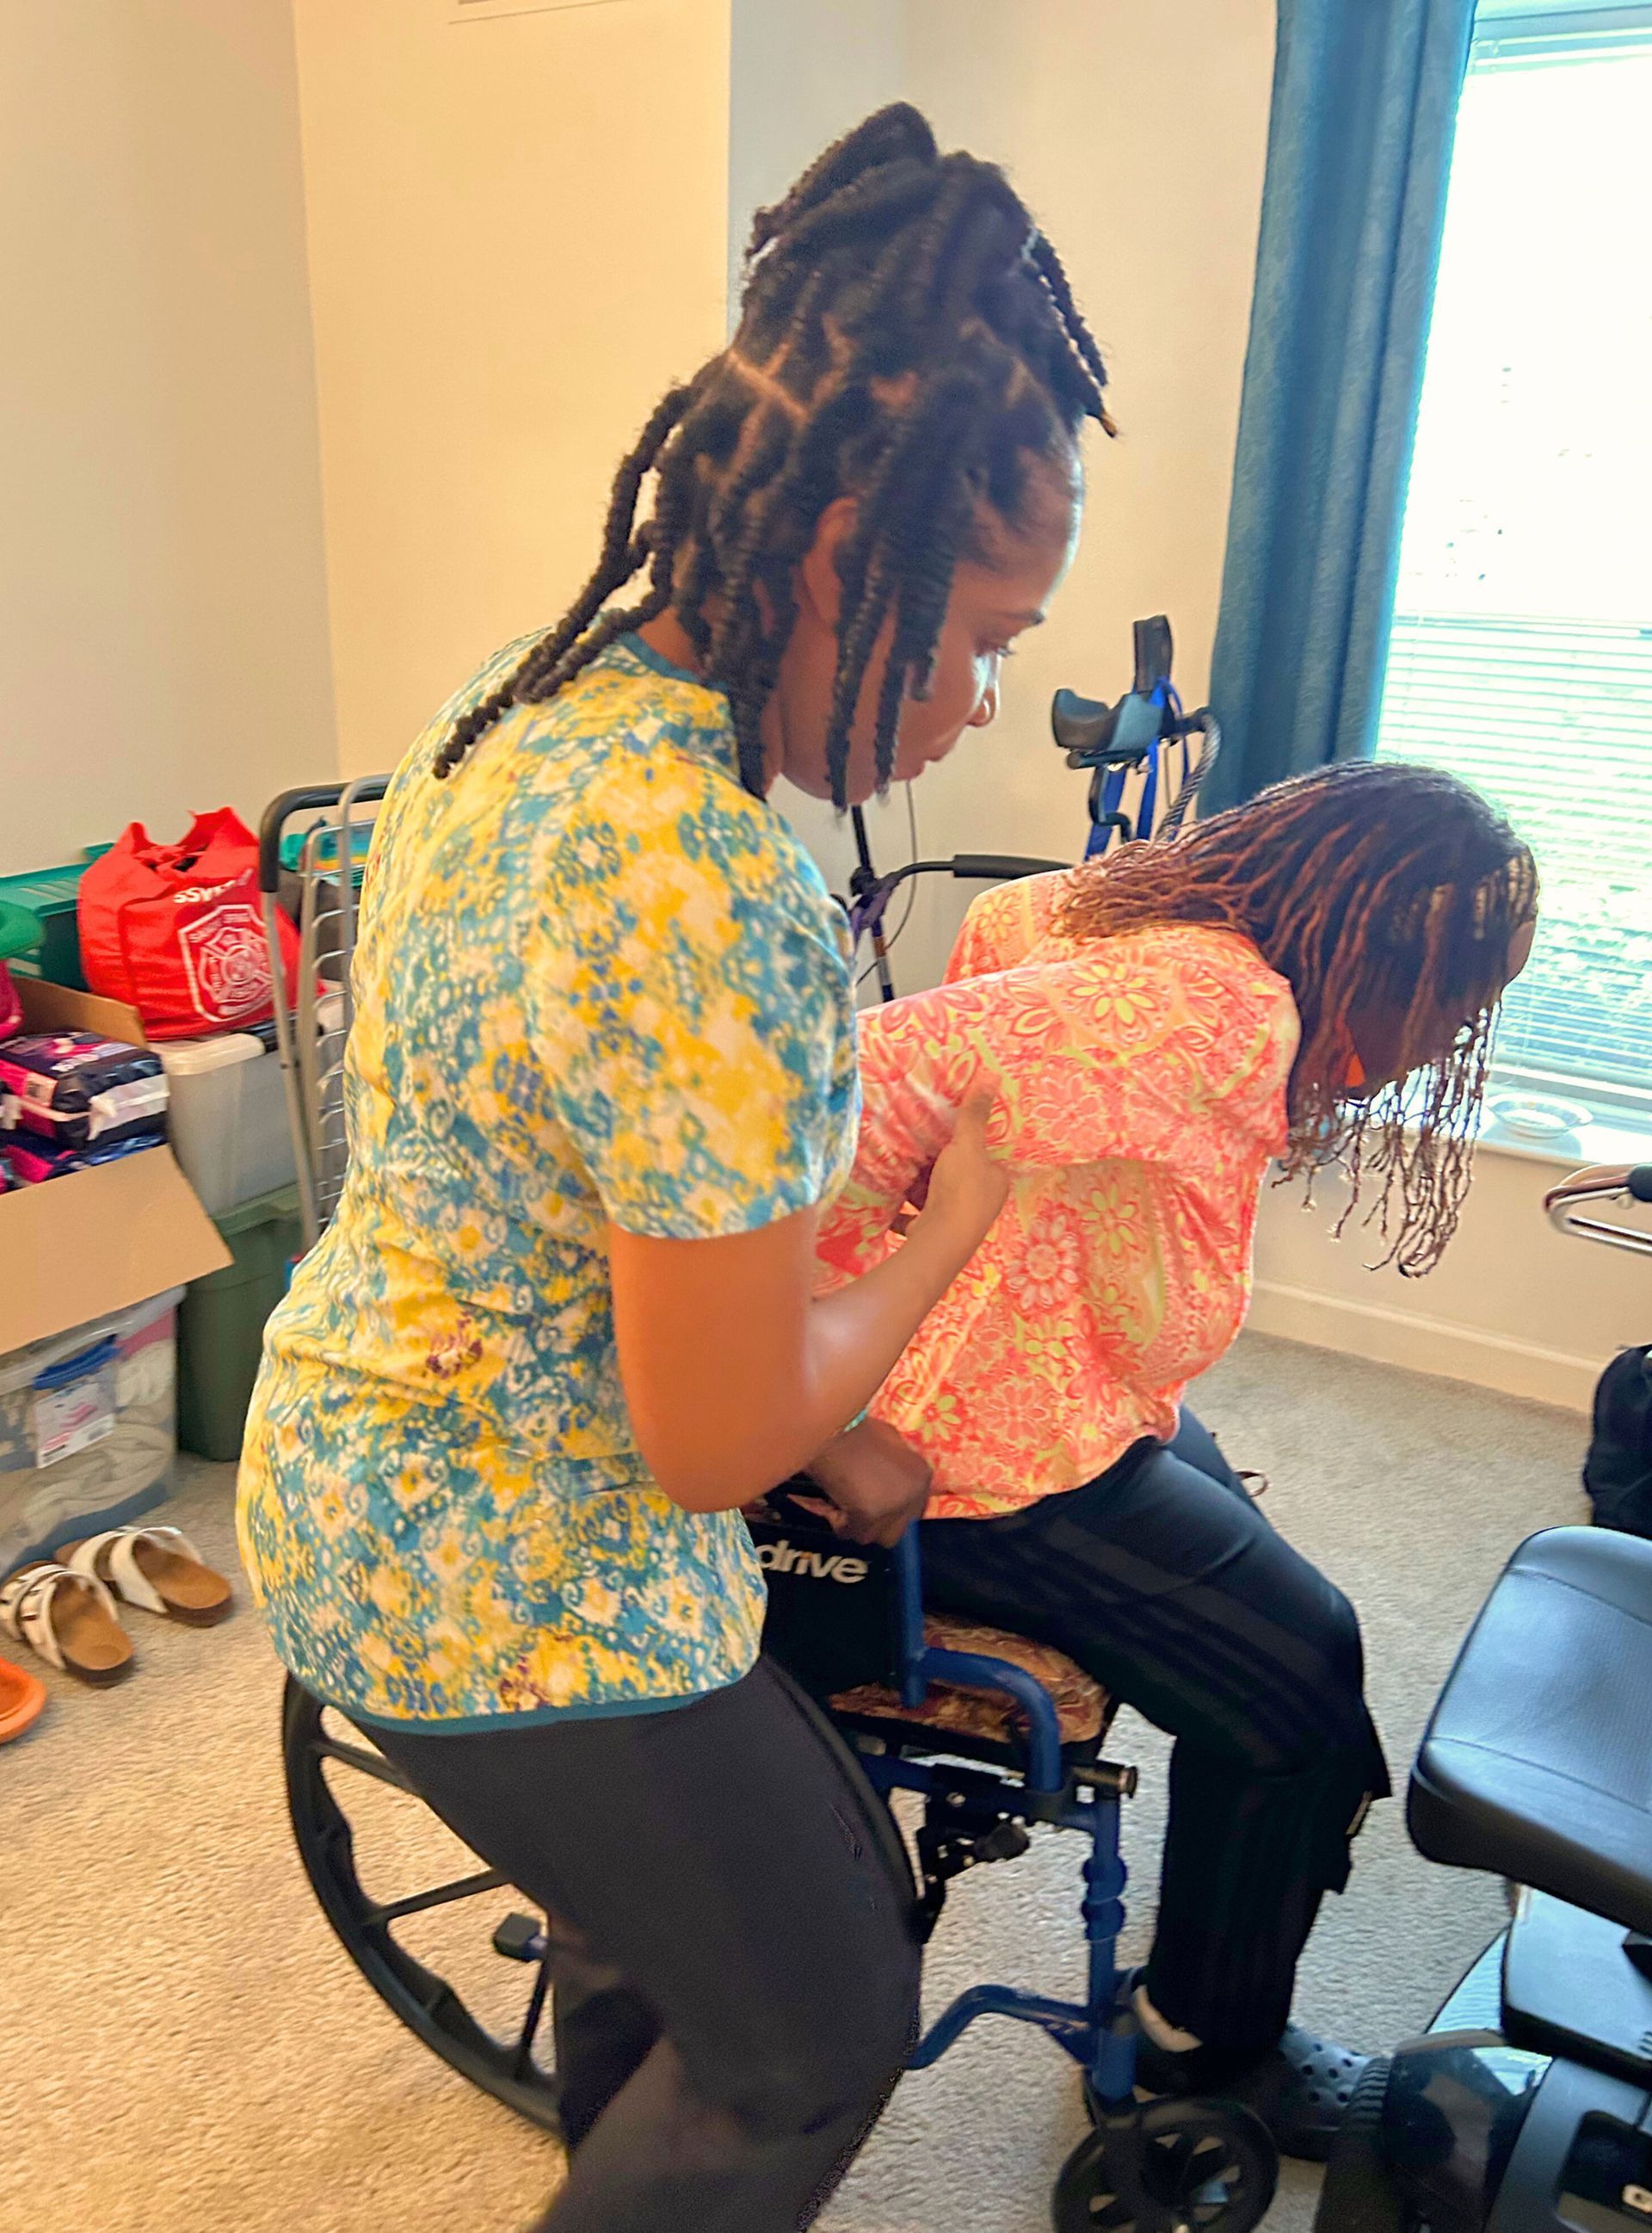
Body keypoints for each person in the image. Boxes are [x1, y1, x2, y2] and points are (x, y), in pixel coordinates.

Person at [236, 104, 1113, 2233]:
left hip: (349, 1454)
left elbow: (588, 1187)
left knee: (670, 1942)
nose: (980, 702)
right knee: (820, 2027)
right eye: (980, 631)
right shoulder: (712, 879)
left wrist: (835, 1391)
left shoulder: (517, 708)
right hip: (503, 1577)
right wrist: (949, 1239)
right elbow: (717, 1437)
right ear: (841, 555)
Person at [809, 759, 1539, 2161]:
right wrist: (818, 1397)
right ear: (1369, 949)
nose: (1451, 1039)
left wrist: (967, 1231)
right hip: (977, 1450)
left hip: (1043, 1387)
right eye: (1453, 999)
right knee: (1303, 1679)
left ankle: (1209, 1948)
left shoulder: (1127, 910)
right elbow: (852, 1085)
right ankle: (1204, 2044)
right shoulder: (1219, 1007)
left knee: (1261, 1588)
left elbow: (1003, 943)